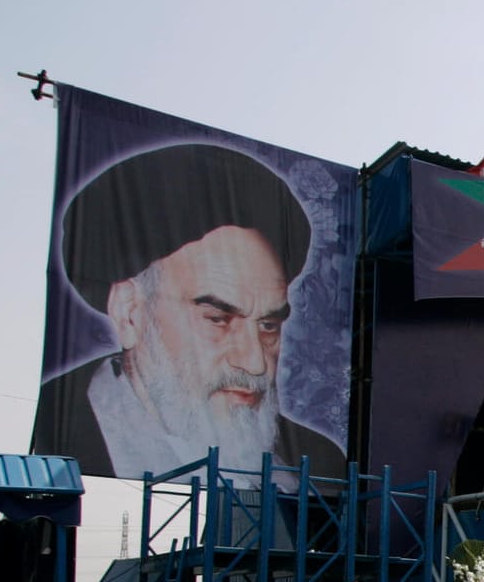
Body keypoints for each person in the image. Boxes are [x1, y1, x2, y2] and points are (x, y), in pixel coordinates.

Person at [30, 144, 343, 484]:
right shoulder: (57, 429)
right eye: (218, 319)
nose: (255, 364)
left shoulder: (321, 462)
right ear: (129, 312)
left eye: (268, 325)